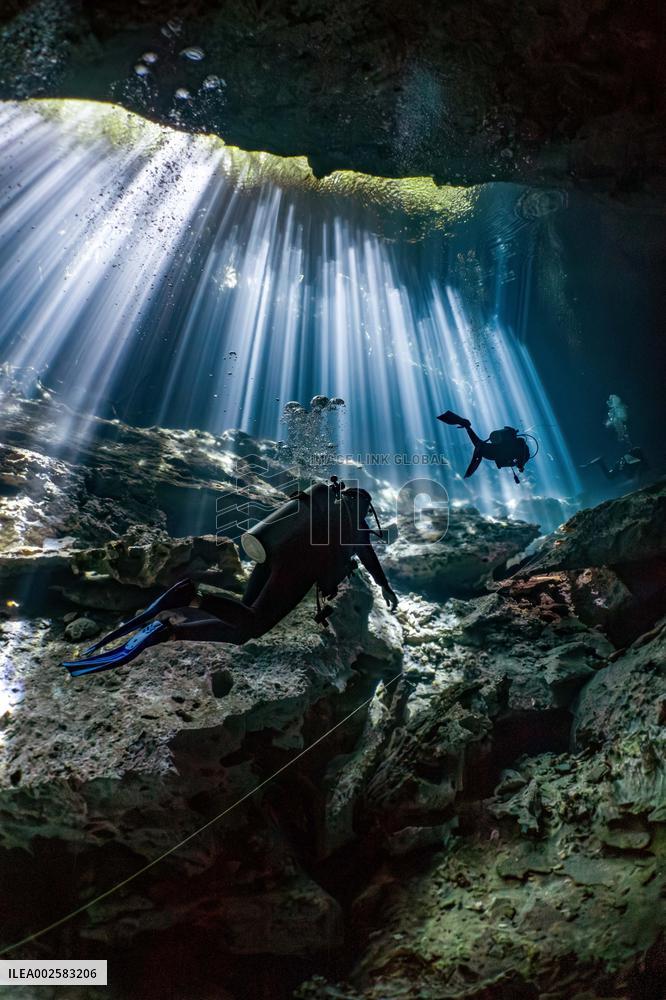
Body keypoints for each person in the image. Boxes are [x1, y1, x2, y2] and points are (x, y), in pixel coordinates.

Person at [63, 479, 398, 676]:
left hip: (273, 554)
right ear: (365, 507)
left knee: (241, 625)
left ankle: (172, 628)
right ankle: (187, 600)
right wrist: (384, 587)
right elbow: (366, 559)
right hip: (296, 572)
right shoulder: (355, 524)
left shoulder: (323, 508)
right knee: (253, 626)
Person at [437, 410, 533, 483]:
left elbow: (516, 459)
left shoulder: (519, 449)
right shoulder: (522, 454)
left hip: (494, 450)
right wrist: (520, 467)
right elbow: (519, 461)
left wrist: (518, 465)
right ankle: (465, 425)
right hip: (494, 452)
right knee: (480, 447)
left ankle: (465, 425)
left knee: (479, 445)